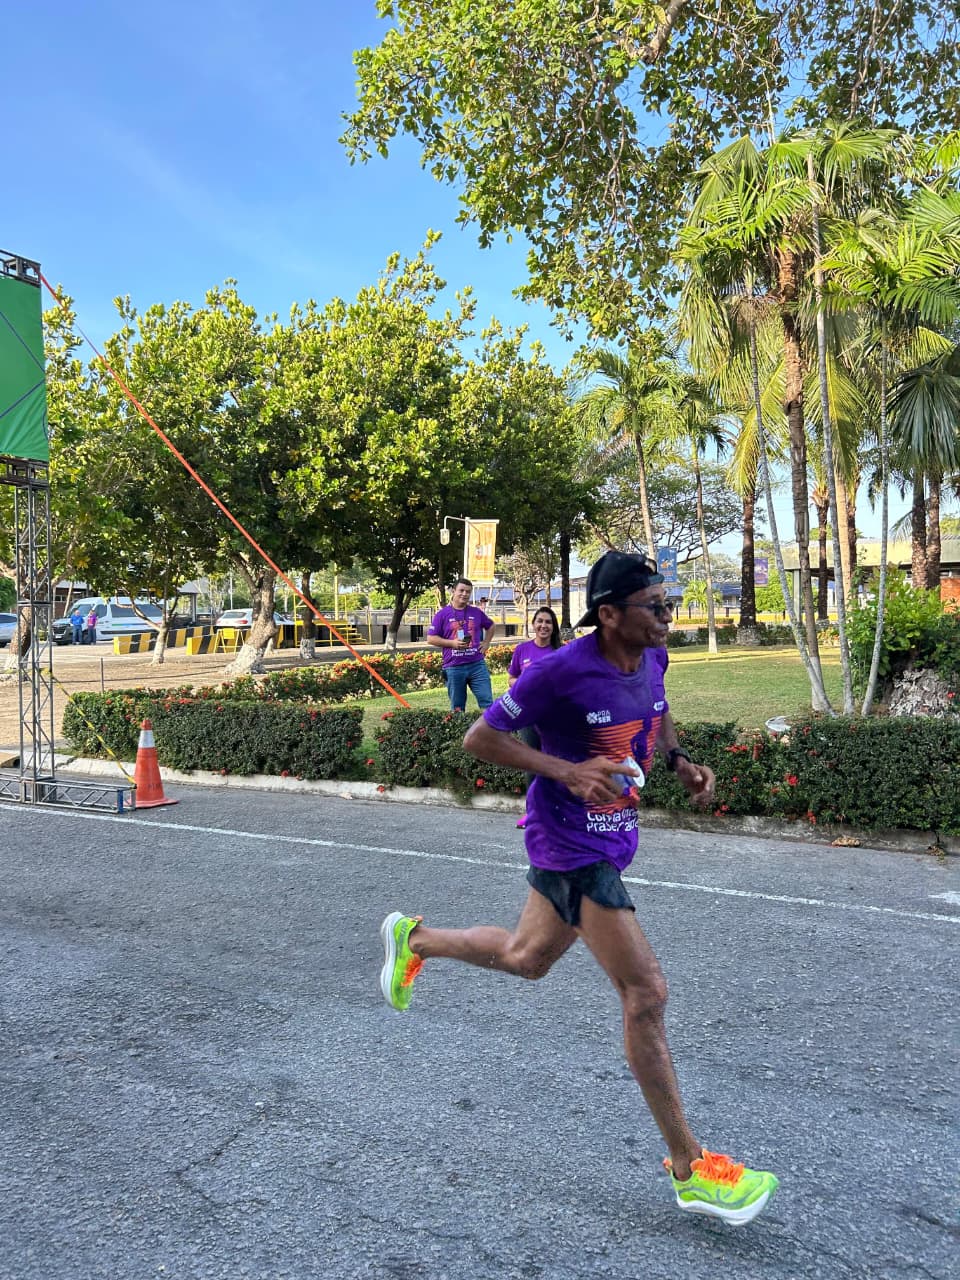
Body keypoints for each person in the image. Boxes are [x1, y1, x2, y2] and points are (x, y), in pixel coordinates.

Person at [380, 550, 778, 1226]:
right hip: (569, 843)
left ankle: (413, 940)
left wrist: (678, 758)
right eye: (655, 606)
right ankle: (691, 1169)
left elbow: (659, 707)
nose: (667, 615)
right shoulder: (558, 671)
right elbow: (481, 738)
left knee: (526, 958)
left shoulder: (652, 656)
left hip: (612, 836)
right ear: (609, 614)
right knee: (646, 993)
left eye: (668, 603)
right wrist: (566, 771)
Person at [507, 606, 562, 829]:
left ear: (553, 627)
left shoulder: (561, 652)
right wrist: (524, 683)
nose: (543, 626)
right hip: (528, 716)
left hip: (553, 718)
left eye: (548, 622)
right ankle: (532, 813)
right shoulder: (522, 650)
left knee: (552, 763)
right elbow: (511, 678)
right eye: (540, 621)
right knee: (531, 762)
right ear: (533, 624)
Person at [427, 578, 495, 712]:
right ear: (453, 591)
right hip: (454, 667)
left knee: (487, 703)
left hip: (477, 665)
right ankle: (461, 727)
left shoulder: (476, 612)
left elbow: (491, 625)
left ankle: (490, 726)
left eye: (468, 592)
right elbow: (431, 638)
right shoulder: (442, 614)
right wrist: (452, 643)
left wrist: (486, 642)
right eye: (461, 590)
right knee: (457, 708)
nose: (464, 594)